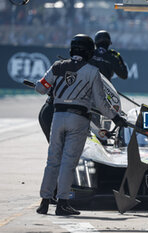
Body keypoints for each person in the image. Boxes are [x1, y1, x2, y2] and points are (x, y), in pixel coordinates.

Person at [35, 34, 127, 216]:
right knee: (68, 162)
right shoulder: (92, 72)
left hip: (58, 116)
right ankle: (62, 203)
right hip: (78, 119)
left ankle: (44, 202)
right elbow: (101, 104)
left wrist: (52, 88)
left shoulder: (58, 66)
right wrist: (116, 118)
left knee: (52, 160)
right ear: (89, 52)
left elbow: (40, 88)